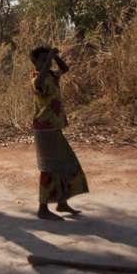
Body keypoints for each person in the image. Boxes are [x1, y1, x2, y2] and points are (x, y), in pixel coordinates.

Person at [30, 46, 89, 220]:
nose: (45, 63)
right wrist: (49, 58)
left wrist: (54, 57)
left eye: (46, 59)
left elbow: (65, 69)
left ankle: (61, 203)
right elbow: (39, 83)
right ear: (35, 63)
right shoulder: (36, 79)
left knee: (64, 164)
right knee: (48, 169)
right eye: (41, 60)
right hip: (44, 130)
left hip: (54, 128)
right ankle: (42, 209)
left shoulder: (51, 75)